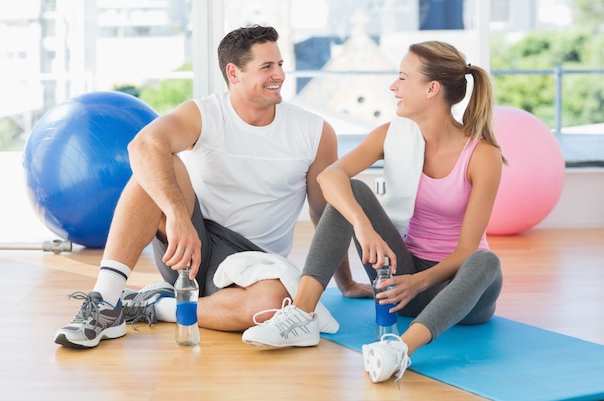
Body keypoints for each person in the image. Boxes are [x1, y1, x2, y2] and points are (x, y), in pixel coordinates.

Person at [54, 25, 371, 349]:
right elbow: (142, 145)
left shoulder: (315, 132)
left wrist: (345, 283)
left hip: (255, 263)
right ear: (234, 73)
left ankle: (156, 306)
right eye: (267, 67)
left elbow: (326, 213)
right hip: (191, 245)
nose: (279, 75)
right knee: (156, 163)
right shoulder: (203, 114)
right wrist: (177, 215)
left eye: (280, 65)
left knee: (274, 305)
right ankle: (105, 303)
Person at [241, 40, 505, 384]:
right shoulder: (392, 135)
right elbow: (330, 176)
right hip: (400, 283)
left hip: (459, 293)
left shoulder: (482, 155)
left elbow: (468, 249)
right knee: (352, 191)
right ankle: (302, 314)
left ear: (432, 89)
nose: (393, 87)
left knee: (486, 261)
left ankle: (398, 350)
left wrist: (419, 282)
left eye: (402, 78)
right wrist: (362, 226)